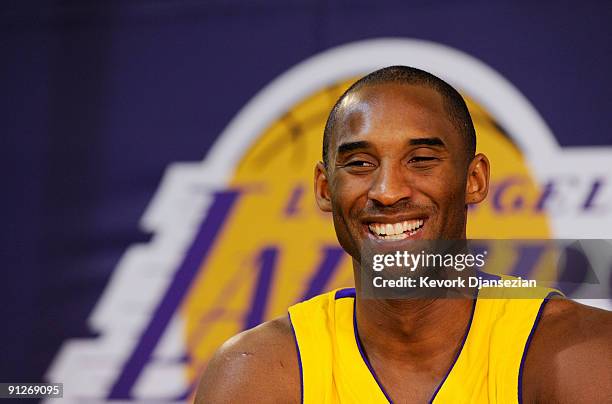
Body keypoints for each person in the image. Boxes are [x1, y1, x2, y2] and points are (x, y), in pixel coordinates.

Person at [195, 66, 611, 403]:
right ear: (325, 188)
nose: (388, 191)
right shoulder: (258, 372)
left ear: (475, 179)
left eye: (421, 159)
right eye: (359, 163)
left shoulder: (583, 354)